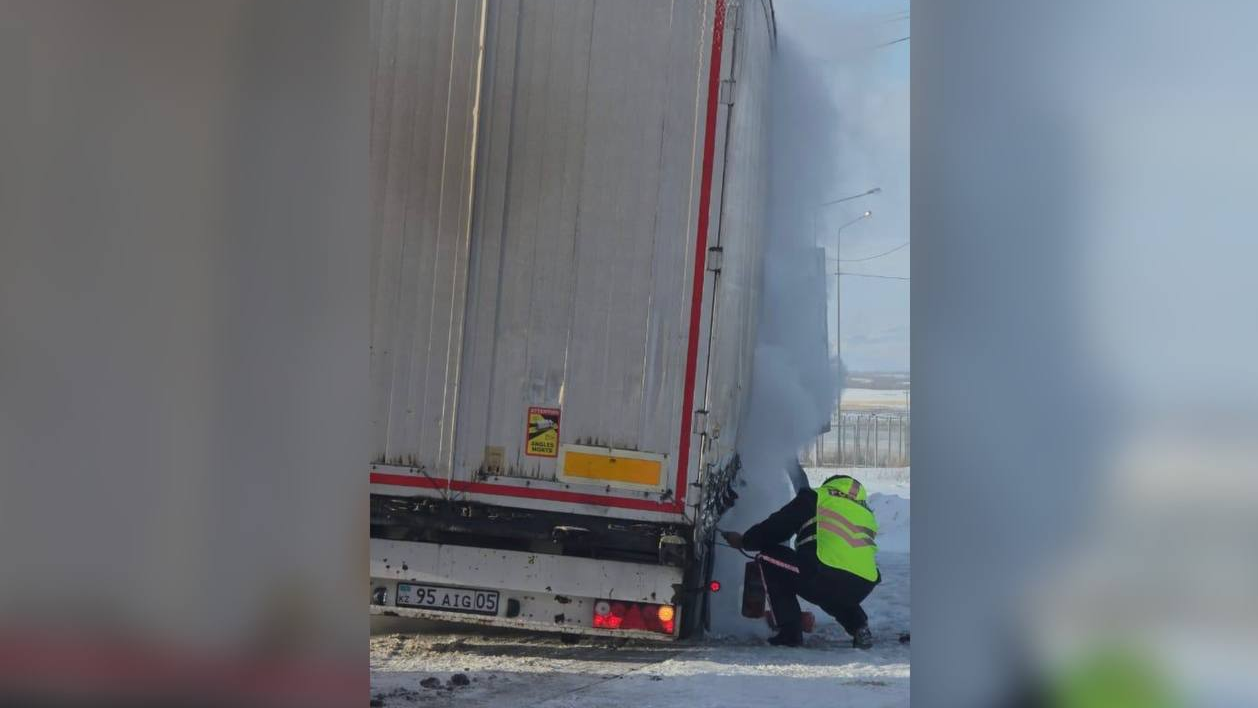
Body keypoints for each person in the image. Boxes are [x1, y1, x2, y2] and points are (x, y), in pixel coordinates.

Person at [722, 474, 880, 648]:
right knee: (833, 588)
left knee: (768, 557)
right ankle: (859, 627)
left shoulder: (817, 497)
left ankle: (790, 633)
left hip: (823, 574)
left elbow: (777, 526)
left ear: (830, 485)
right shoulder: (867, 513)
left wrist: (745, 541)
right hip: (863, 585)